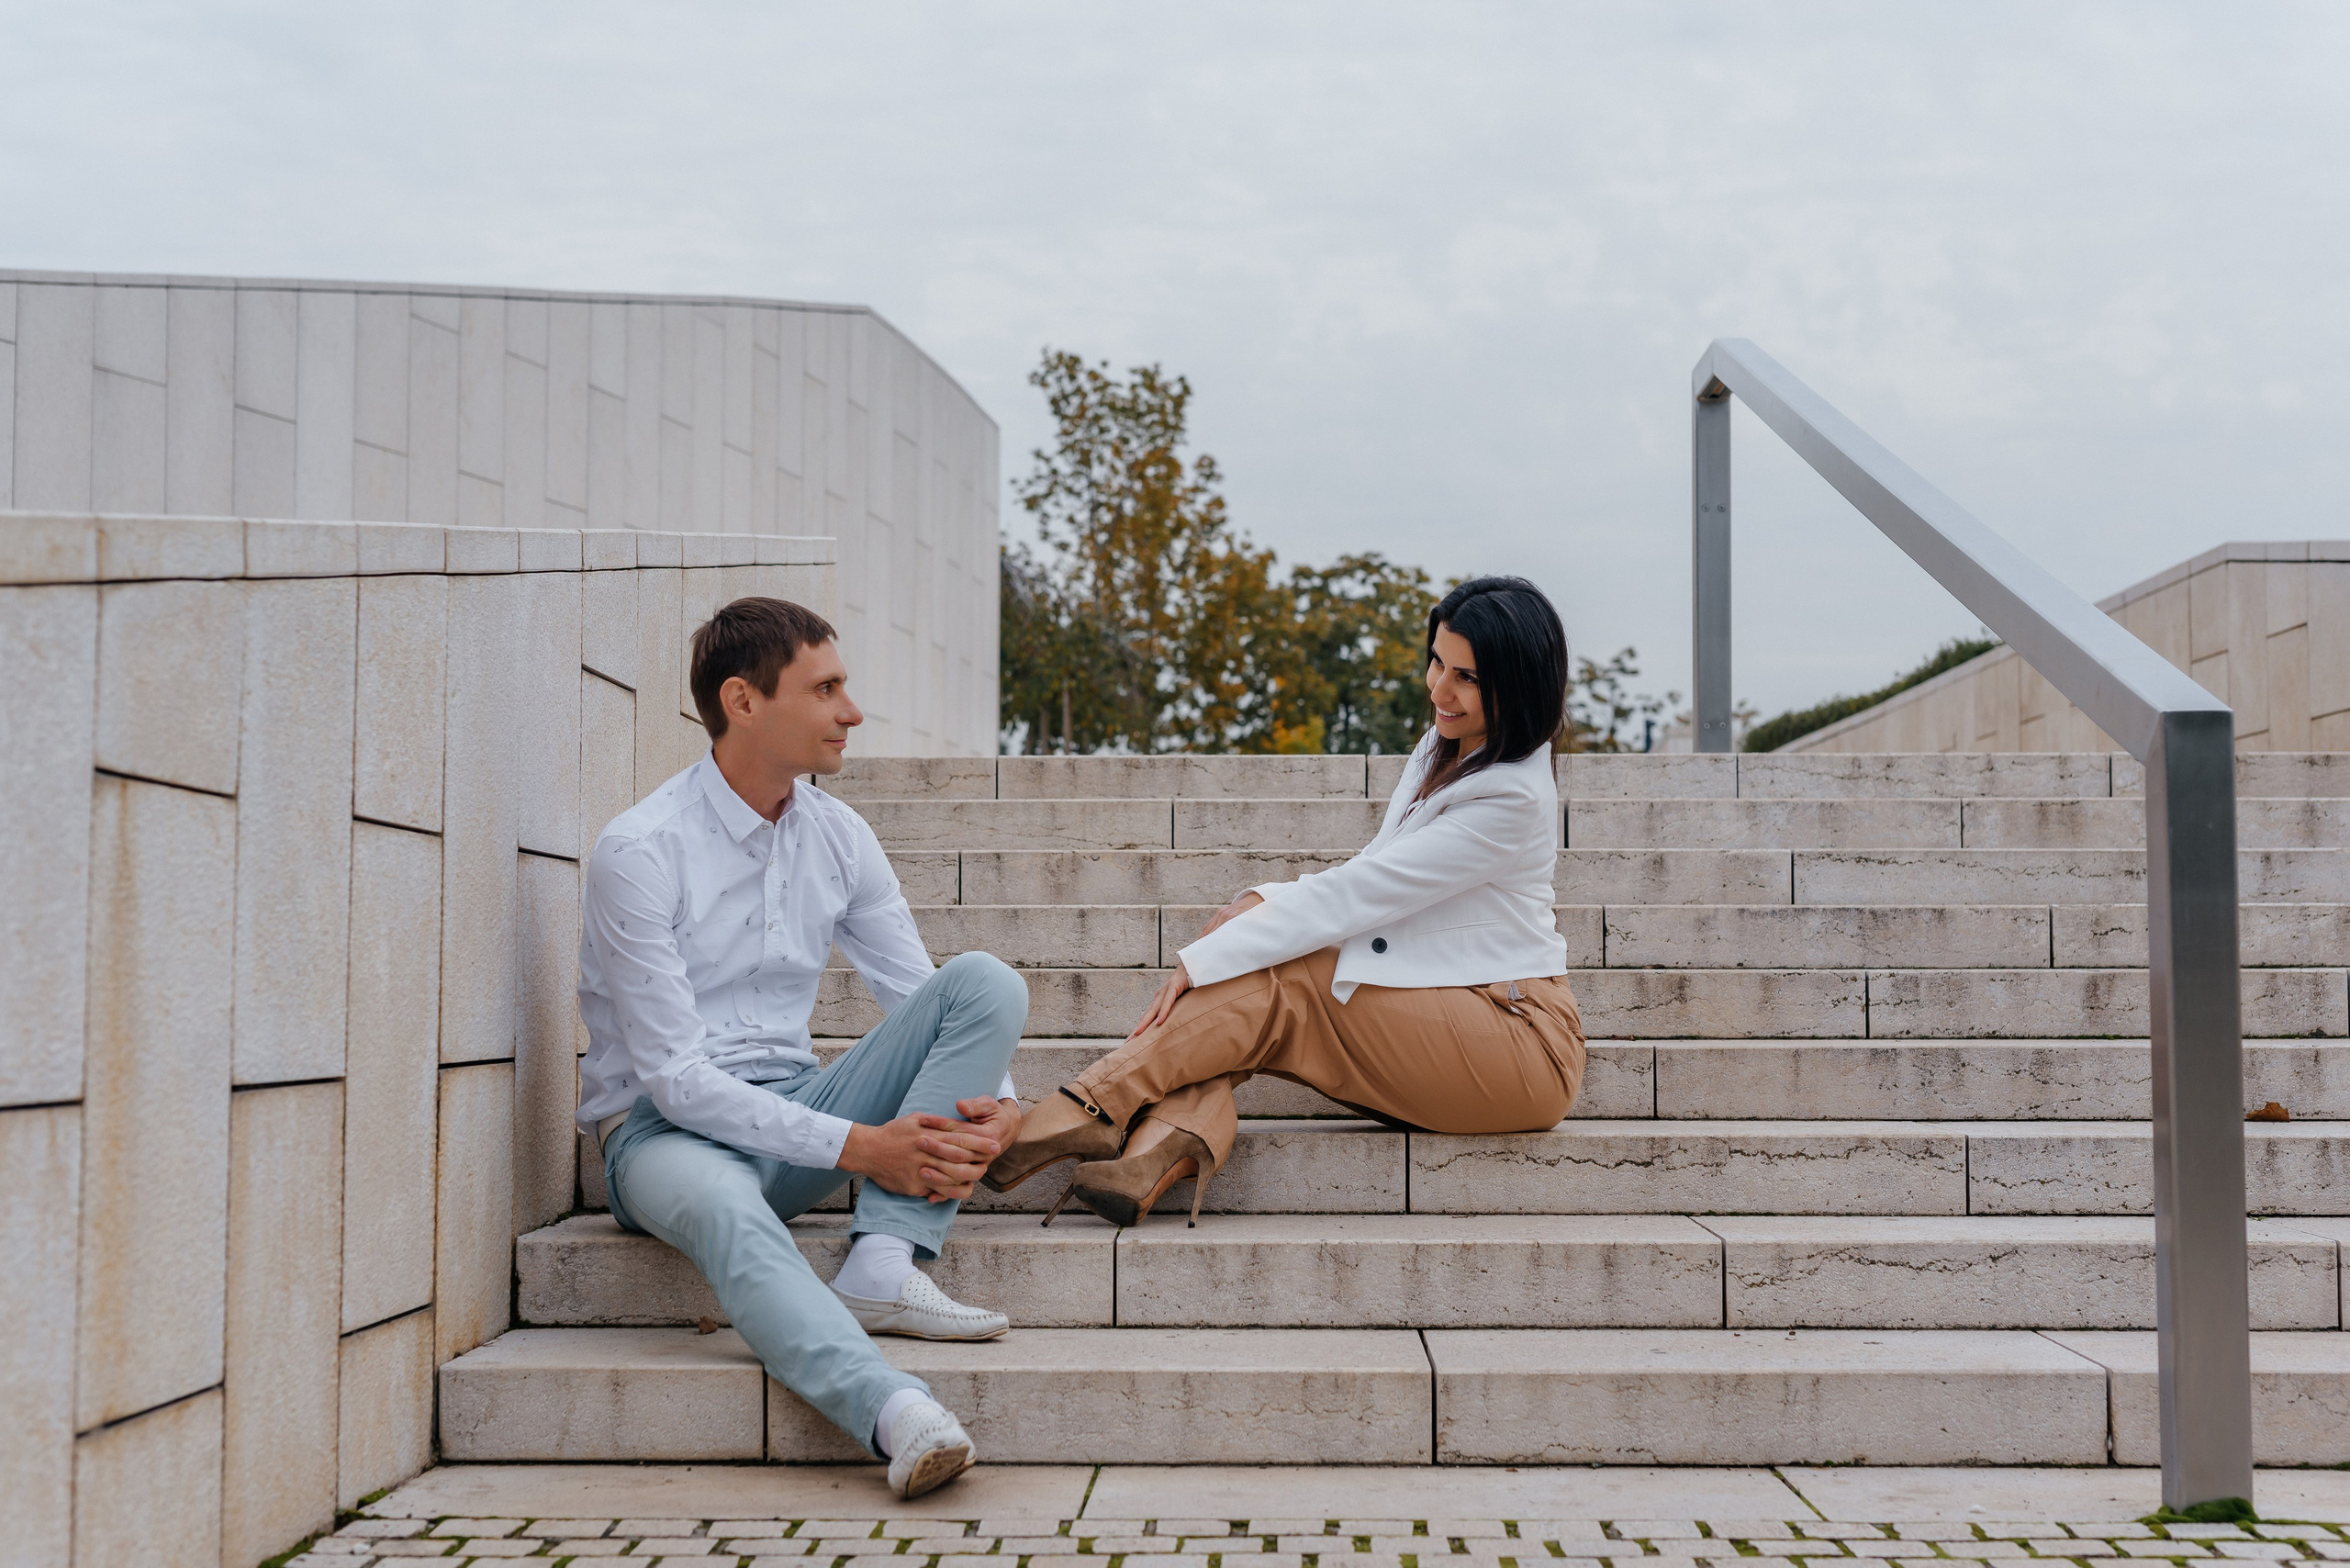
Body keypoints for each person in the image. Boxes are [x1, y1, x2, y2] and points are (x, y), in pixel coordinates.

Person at [577, 596, 1027, 1500]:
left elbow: (917, 990)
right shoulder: (639, 850)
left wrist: (1003, 1104)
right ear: (744, 701)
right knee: (727, 1207)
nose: (851, 712)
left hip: (797, 1105)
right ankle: (894, 1410)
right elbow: (676, 1079)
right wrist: (863, 1147)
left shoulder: (837, 832)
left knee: (984, 982)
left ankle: (883, 1260)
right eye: (825, 689)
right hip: (660, 1136)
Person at [984, 575, 1583, 1227]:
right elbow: (1375, 871)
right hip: (1460, 999)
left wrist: (1208, 955)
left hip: (1522, 1041)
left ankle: (1084, 1107)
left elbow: (1362, 895)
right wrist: (1257, 902)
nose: (1440, 688)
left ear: (1518, 684)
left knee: (1287, 979)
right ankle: (1159, 1147)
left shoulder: (1513, 797)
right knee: (1265, 987)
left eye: (1466, 676)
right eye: (1437, 660)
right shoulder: (1448, 745)